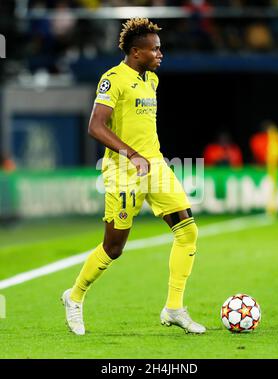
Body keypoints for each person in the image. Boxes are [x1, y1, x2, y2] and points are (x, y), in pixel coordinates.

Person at [62, 17, 206, 335]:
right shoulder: (113, 79)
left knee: (187, 232)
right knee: (114, 247)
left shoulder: (150, 81)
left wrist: (146, 157)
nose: (160, 54)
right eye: (155, 49)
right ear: (136, 52)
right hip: (123, 171)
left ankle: (174, 308)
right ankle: (74, 297)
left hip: (154, 166)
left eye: (160, 48)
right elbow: (95, 126)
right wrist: (131, 154)